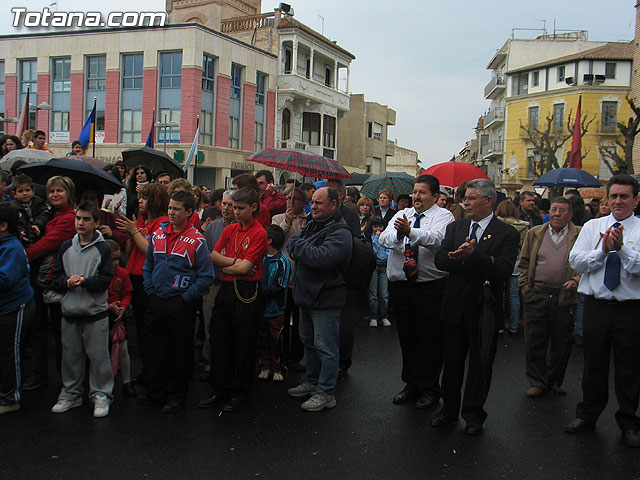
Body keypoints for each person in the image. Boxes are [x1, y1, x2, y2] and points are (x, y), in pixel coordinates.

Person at [431, 178, 519, 435]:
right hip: (455, 306)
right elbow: (440, 259)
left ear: (488, 200)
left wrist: (475, 256)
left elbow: (503, 269)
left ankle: (473, 414)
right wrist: (455, 257)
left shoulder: (507, 233)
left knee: (480, 365)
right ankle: (448, 410)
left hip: (484, 309)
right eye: (464, 198)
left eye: (470, 198)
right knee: (452, 362)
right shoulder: (456, 228)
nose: (465, 203)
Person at [565, 174, 640, 448]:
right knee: (593, 364)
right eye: (614, 196)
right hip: (597, 307)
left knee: (628, 369)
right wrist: (602, 251)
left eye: (624, 196)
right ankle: (587, 415)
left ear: (636, 199)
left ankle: (629, 421)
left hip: (630, 309)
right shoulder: (592, 226)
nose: (618, 201)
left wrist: (621, 251)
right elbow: (576, 261)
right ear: (607, 198)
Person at [379, 174, 454, 409]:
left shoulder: (444, 216)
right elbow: (384, 237)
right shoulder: (404, 214)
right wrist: (402, 234)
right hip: (402, 284)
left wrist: (411, 233)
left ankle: (430, 388)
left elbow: (438, 239)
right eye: (415, 192)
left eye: (422, 192)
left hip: (429, 285)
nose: (416, 196)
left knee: (430, 338)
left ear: (434, 196)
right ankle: (411, 383)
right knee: (408, 337)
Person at [139, 190, 214, 414]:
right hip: (157, 300)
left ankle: (177, 395)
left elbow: (206, 277)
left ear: (189, 212)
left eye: (176, 209)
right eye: (170, 208)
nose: (171, 212)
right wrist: (150, 290)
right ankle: (156, 391)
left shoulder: (197, 241)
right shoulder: (157, 235)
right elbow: (148, 266)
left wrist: (185, 298)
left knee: (179, 352)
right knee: (154, 348)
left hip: (181, 303)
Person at [198, 187, 267, 413]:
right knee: (219, 339)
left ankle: (241, 392)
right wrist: (236, 263)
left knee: (244, 342)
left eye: (240, 208)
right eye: (233, 207)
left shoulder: (259, 233)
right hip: (227, 287)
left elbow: (245, 267)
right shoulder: (229, 230)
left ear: (253, 208)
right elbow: (213, 256)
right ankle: (220, 389)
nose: (235, 212)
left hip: (248, 291)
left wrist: (233, 263)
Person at [286, 187, 352, 411]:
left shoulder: (341, 233)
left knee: (326, 347)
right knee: (309, 342)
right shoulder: (314, 225)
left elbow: (321, 258)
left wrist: (301, 246)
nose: (313, 206)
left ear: (333, 205)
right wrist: (301, 245)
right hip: (306, 296)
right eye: (312, 202)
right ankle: (312, 381)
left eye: (319, 203)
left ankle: (326, 392)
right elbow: (292, 245)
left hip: (326, 299)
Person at [51, 202, 114, 418]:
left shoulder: (103, 248)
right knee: (70, 356)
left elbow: (106, 279)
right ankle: (70, 394)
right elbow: (56, 276)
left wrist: (85, 281)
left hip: (94, 312)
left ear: (96, 223)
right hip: (70, 310)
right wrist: (66, 282)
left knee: (98, 357)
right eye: (78, 218)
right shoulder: (66, 246)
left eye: (86, 219)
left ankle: (101, 394)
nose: (80, 222)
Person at [518, 197, 580, 398]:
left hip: (564, 297)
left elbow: (585, 265)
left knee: (561, 342)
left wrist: (577, 281)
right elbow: (524, 262)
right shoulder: (535, 233)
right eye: (554, 209)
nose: (557, 214)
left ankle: (554, 380)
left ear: (570, 214)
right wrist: (526, 288)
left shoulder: (579, 234)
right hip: (537, 295)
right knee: (535, 341)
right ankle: (537, 381)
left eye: (562, 210)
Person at [23, 176, 77, 391]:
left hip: (56, 279)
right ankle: (40, 374)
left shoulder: (68, 218)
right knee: (39, 330)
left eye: (59, 191)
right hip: (42, 278)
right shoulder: (47, 214)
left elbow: (45, 245)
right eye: (51, 191)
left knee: (60, 332)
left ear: (69, 193)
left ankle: (66, 380)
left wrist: (21, 256)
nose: (55, 194)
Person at [115, 183, 169, 384]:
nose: (139, 201)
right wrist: (131, 232)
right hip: (134, 275)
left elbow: (151, 251)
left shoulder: (162, 222)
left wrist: (134, 231)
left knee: (150, 331)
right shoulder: (142, 220)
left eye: (144, 198)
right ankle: (147, 371)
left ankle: (154, 374)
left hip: (148, 279)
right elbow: (131, 249)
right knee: (141, 328)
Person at [0, 201, 35, 415]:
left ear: (3, 225)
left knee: (9, 353)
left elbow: (5, 280)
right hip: (4, 307)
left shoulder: (12, 248)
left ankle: (10, 397)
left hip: (14, 307)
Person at [199, 190, 235, 378]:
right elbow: (206, 256)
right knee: (209, 325)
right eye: (224, 203)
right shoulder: (212, 228)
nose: (226, 208)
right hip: (213, 283)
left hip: (234, 284)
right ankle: (209, 361)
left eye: (231, 204)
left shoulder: (240, 228)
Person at [271, 187, 308, 371]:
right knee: (281, 319)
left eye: (295, 199)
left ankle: (296, 355)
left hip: (300, 279)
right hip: (282, 278)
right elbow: (276, 240)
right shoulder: (277, 219)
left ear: (303, 202)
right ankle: (281, 354)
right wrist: (287, 221)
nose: (290, 202)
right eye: (288, 198)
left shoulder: (309, 220)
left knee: (300, 321)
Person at [257, 225, 290, 382]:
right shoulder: (260, 257)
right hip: (260, 308)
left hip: (276, 308)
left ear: (269, 241)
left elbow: (280, 285)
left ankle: (278, 367)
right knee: (262, 337)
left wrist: (262, 292)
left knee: (276, 339)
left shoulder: (283, 261)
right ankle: (265, 365)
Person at [105, 239, 135, 398]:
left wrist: (123, 306)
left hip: (119, 317)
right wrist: (108, 306)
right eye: (112, 259)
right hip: (103, 315)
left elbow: (127, 293)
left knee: (123, 350)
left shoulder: (123, 273)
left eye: (117, 259)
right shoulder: (99, 274)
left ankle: (127, 382)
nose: (115, 262)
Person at [495, 199, 529, 334]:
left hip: (500, 260)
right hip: (516, 260)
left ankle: (500, 325)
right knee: (514, 295)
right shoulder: (523, 226)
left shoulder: (497, 225)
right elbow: (525, 246)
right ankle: (514, 326)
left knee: (500, 293)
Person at [11, 174, 51, 246]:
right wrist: (20, 231)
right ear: (14, 194)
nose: (25, 193)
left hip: (41, 233)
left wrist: (37, 224)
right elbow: (14, 223)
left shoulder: (39, 202)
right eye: (20, 191)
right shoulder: (13, 208)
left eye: (27, 190)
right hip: (25, 239)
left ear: (33, 191)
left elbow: (45, 214)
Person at [368, 217, 390, 327]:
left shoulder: (387, 237)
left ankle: (384, 316)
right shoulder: (369, 238)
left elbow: (388, 252)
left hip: (384, 266)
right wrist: (376, 239)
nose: (378, 229)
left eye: (380, 226)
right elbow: (374, 252)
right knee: (373, 294)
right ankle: (373, 317)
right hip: (373, 266)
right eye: (375, 226)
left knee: (384, 294)